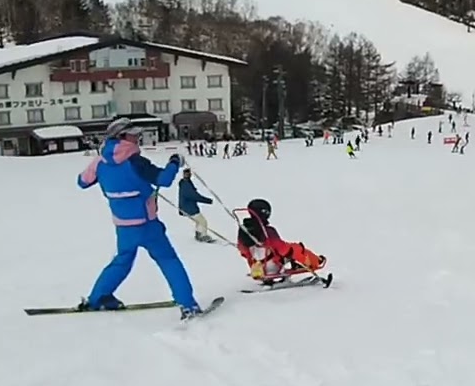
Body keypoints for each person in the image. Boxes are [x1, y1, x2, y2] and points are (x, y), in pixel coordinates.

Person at [75, 118, 205, 318]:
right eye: (134, 135)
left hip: (123, 225)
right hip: (147, 224)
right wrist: (174, 163)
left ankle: (98, 298)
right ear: (122, 136)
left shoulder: (100, 162)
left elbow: (82, 182)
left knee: (122, 261)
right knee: (168, 259)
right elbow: (164, 180)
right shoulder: (135, 161)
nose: (137, 139)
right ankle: (188, 305)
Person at [236, 198, 325, 280]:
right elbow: (283, 249)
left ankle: (267, 275)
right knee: (297, 248)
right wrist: (290, 252)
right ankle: (316, 261)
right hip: (272, 267)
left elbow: (243, 250)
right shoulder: (268, 231)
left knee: (284, 251)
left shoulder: (244, 231)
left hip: (257, 267)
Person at [177, 167, 215, 242]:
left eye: (189, 173)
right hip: (189, 208)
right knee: (202, 221)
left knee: (199, 221)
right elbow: (194, 196)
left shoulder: (186, 182)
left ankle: (198, 233)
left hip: (187, 206)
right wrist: (208, 200)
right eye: (187, 174)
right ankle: (202, 236)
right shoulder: (186, 185)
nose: (189, 175)